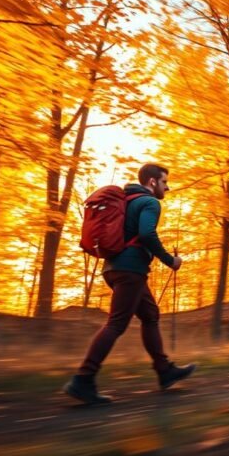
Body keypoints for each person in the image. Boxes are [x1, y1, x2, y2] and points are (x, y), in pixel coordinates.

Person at [64, 164, 195, 404]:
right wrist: (170, 260)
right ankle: (83, 379)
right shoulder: (150, 203)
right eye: (165, 181)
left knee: (150, 315)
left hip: (114, 268)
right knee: (116, 324)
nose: (168, 187)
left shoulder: (126, 200)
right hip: (130, 270)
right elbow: (146, 234)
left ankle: (164, 371)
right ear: (153, 182)